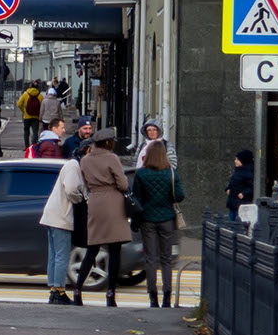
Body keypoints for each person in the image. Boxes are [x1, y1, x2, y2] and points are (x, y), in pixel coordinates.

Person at [71, 129, 132, 307]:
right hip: (113, 203)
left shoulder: (86, 160)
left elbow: (85, 181)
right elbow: (122, 183)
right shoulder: (112, 158)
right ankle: (111, 293)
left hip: (95, 203)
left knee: (92, 249)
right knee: (114, 250)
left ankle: (78, 289)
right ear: (108, 143)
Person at [131, 141, 182, 307]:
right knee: (166, 259)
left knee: (150, 259)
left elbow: (136, 198)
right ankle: (167, 296)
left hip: (147, 219)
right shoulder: (171, 173)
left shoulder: (141, 174)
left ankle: (153, 297)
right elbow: (180, 196)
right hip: (167, 219)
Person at [39, 150, 88, 305]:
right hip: (62, 216)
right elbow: (72, 189)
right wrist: (81, 199)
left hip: (53, 215)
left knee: (54, 256)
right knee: (62, 256)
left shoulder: (71, 165)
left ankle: (53, 290)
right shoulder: (73, 165)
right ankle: (60, 291)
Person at [225, 148, 258, 219]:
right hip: (233, 201)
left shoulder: (248, 173)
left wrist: (244, 193)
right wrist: (227, 188)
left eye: (237, 159)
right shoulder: (238, 171)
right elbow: (232, 182)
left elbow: (251, 187)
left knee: (237, 222)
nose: (235, 161)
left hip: (241, 203)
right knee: (232, 220)